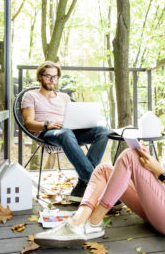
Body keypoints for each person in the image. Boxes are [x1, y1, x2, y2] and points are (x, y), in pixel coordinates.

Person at [34, 89, 165, 247]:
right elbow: (162, 184)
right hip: (158, 208)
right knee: (104, 169)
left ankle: (93, 221)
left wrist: (158, 171)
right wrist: (147, 162)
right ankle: (78, 221)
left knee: (129, 157)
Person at [21, 61, 110, 202]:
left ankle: (84, 183)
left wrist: (83, 123)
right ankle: (97, 184)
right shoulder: (30, 96)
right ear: (39, 77)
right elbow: (28, 123)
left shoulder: (64, 97)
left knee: (103, 131)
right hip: (49, 133)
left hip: (70, 131)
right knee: (65, 133)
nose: (52, 80)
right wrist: (47, 125)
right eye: (48, 76)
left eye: (55, 77)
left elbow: (74, 117)